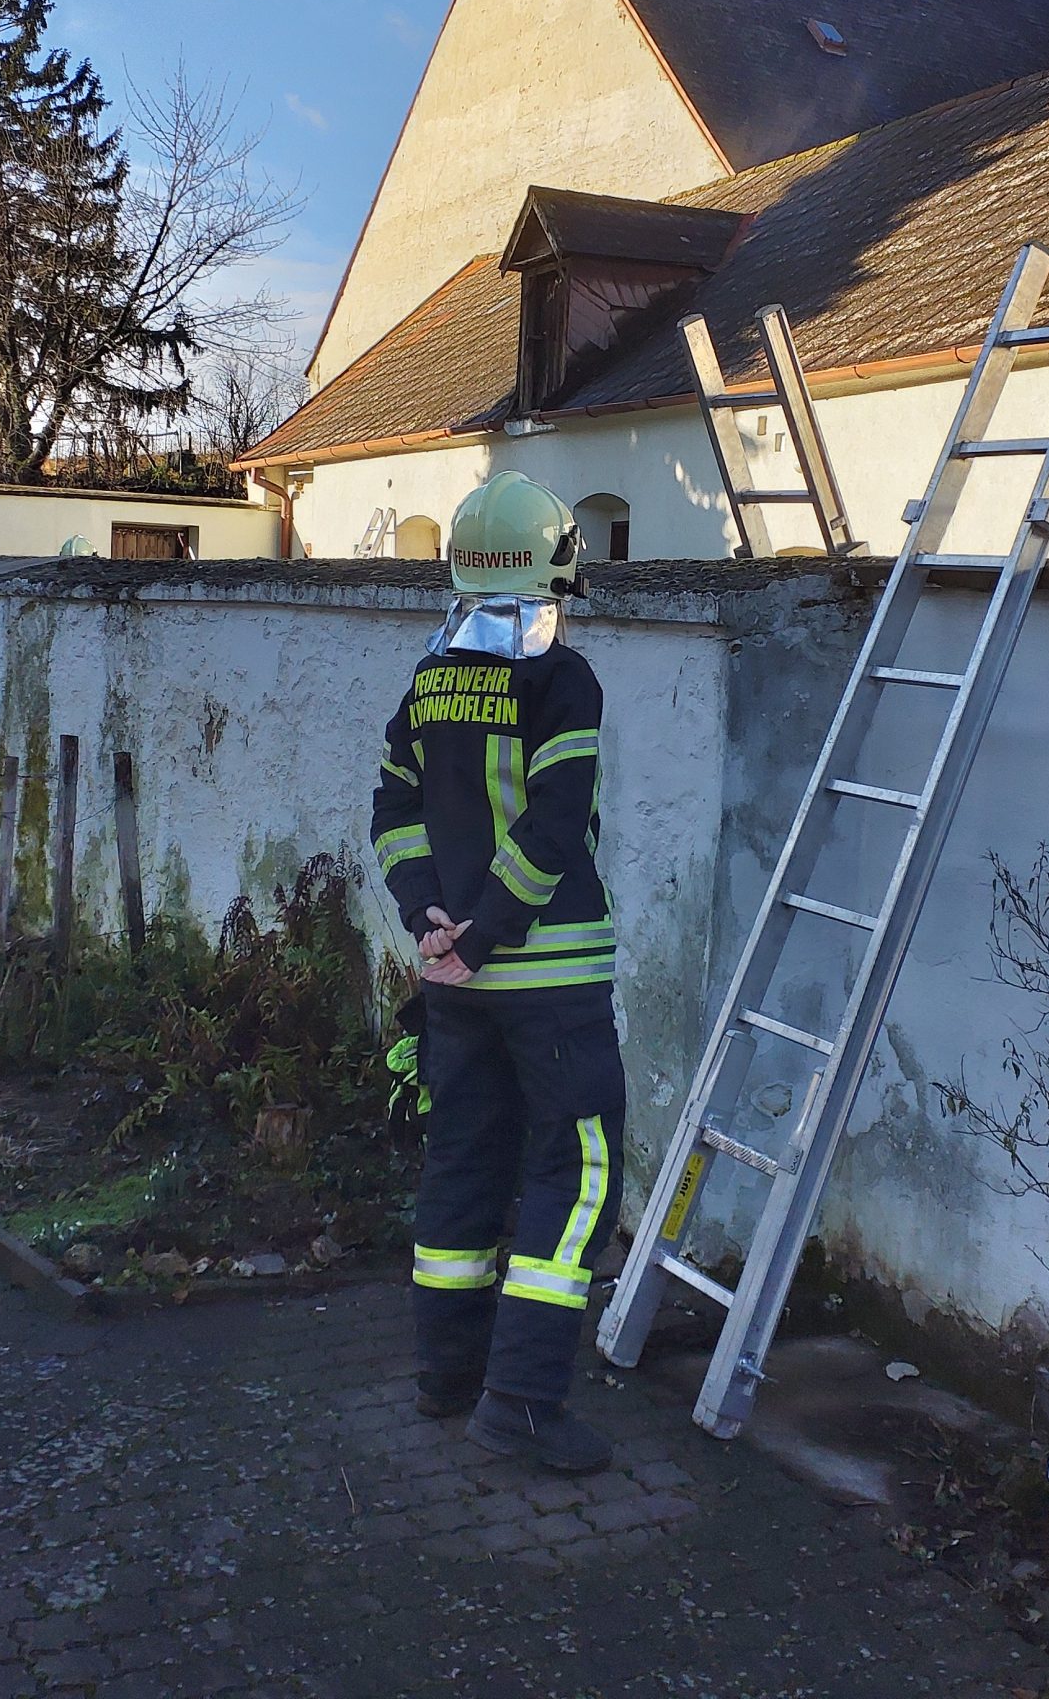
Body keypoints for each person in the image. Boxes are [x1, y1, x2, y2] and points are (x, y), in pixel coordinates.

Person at [369, 471, 625, 1474]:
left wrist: (428, 919)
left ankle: (447, 1375)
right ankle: (520, 1402)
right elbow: (555, 824)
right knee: (578, 1174)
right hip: (550, 984)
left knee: (463, 1162)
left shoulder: (427, 680)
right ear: (553, 568)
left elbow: (392, 811)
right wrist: (485, 934)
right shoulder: (564, 681)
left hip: (456, 992)